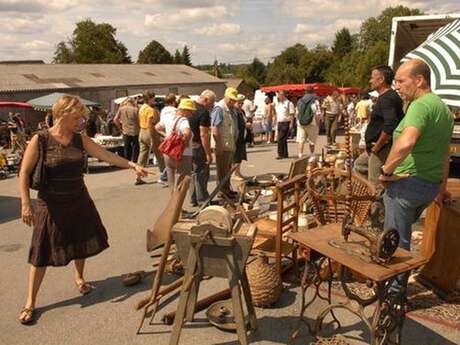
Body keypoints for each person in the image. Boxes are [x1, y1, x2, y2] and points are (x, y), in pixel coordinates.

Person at [17, 95, 148, 325]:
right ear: (62, 115)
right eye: (76, 117)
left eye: (81, 117)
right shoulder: (41, 139)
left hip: (78, 200)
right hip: (51, 205)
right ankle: (30, 301)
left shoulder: (80, 139)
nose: (80, 121)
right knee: (41, 253)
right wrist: (26, 204)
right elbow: (24, 173)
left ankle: (79, 277)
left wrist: (132, 164)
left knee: (81, 239)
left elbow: (105, 155)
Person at [380, 59, 454, 293]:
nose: (397, 86)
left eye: (401, 81)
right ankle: (397, 284)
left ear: (419, 80)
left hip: (406, 185)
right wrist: (441, 189)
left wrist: (386, 171)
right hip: (428, 185)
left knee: (396, 239)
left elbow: (406, 142)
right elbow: (444, 156)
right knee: (403, 235)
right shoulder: (444, 109)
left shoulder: (420, 105)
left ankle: (394, 292)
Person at [364, 65, 404, 192]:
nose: (370, 81)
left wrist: (378, 146)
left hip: (381, 149)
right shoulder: (386, 96)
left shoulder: (387, 98)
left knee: (375, 185)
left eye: (372, 78)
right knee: (358, 165)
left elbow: (390, 124)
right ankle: (365, 199)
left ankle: (377, 209)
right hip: (375, 148)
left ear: (381, 79)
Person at [155, 98, 194, 193]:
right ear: (185, 110)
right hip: (182, 154)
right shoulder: (183, 120)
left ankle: (173, 205)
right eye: (191, 111)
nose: (192, 114)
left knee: (171, 182)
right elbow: (187, 133)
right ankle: (178, 206)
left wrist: (167, 137)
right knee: (182, 182)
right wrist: (184, 144)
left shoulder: (169, 117)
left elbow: (157, 127)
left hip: (169, 152)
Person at [189, 90, 215, 207]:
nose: (212, 106)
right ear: (206, 100)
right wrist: (208, 153)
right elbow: (203, 134)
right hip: (198, 145)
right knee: (202, 172)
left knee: (194, 173)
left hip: (188, 144)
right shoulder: (203, 112)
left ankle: (193, 198)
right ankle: (202, 199)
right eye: (211, 103)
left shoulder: (191, 107)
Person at [211, 87, 238, 198]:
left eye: (234, 100)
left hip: (229, 143)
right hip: (223, 144)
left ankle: (227, 189)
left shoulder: (231, 108)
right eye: (231, 99)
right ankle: (222, 192)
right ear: (225, 96)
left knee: (227, 170)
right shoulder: (219, 108)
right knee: (222, 171)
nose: (232, 101)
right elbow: (215, 128)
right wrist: (218, 145)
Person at [137, 90, 164, 185]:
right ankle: (164, 175)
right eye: (153, 98)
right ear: (149, 99)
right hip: (149, 132)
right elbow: (150, 124)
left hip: (141, 131)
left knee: (142, 155)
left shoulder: (141, 108)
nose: (154, 100)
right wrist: (153, 137)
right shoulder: (150, 110)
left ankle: (138, 176)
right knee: (159, 154)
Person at [296, 87, 321, 157]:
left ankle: (300, 154)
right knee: (312, 141)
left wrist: (299, 121)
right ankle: (312, 155)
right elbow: (317, 113)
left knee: (301, 140)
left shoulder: (300, 101)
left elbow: (297, 113)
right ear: (313, 92)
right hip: (312, 123)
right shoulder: (315, 101)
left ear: (305, 92)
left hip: (301, 123)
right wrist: (318, 124)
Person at [274, 90, 295, 159]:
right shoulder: (278, 104)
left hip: (286, 122)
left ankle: (280, 154)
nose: (279, 96)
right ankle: (285, 154)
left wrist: (291, 123)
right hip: (279, 122)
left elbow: (292, 114)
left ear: (284, 95)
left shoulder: (289, 103)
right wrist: (275, 120)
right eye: (278, 95)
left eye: (280, 95)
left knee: (280, 138)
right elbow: (277, 113)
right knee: (283, 139)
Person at [232, 94, 248, 180]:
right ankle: (234, 174)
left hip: (242, 136)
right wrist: (245, 125)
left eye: (242, 103)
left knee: (240, 156)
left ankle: (238, 172)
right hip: (237, 136)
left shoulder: (241, 111)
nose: (240, 105)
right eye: (239, 103)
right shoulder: (234, 112)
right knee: (236, 157)